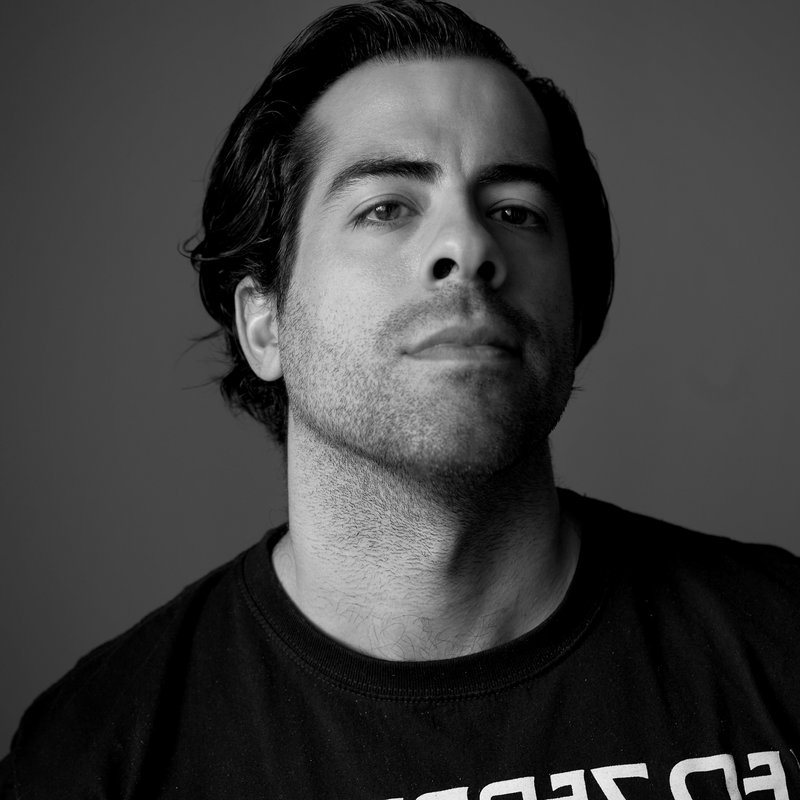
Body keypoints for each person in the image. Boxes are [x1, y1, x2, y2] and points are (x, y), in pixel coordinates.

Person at [2, 1, 799, 797]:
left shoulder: (782, 641)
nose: (469, 246)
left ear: (577, 309)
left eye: (516, 211)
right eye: (386, 207)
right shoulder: (95, 759)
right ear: (265, 325)